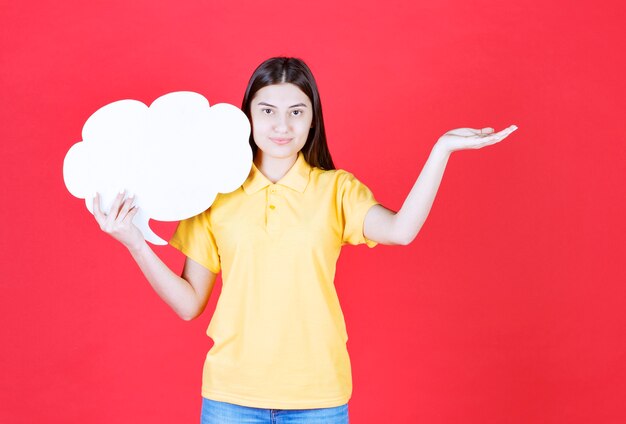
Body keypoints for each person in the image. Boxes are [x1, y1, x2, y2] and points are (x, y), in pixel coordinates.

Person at [92, 57, 517, 424]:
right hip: (231, 399)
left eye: (297, 111)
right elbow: (189, 305)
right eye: (268, 111)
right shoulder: (215, 197)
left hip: (319, 398)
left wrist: (441, 149)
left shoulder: (336, 191)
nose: (282, 125)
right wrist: (134, 242)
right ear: (248, 117)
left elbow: (401, 230)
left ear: (313, 118)